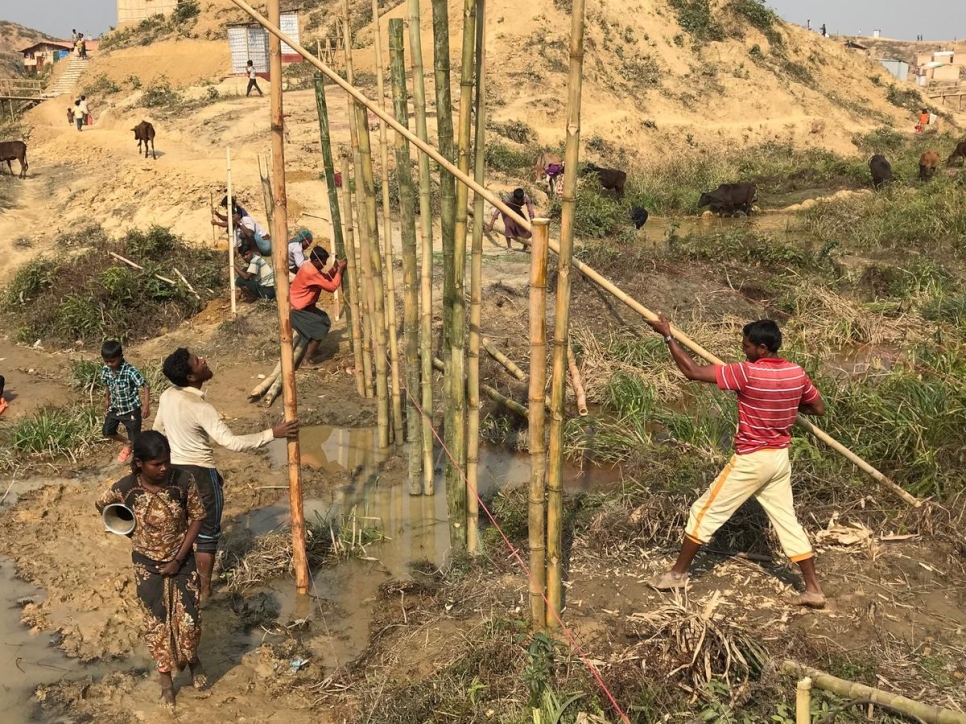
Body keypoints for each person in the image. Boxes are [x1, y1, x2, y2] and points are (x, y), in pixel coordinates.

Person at [644, 316, 828, 608]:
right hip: (779, 460)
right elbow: (817, 408)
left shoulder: (747, 374)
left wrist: (667, 335)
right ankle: (814, 590)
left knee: (703, 512)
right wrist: (785, 401)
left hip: (752, 460)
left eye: (747, 347)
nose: (743, 351)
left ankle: (677, 574)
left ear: (763, 348)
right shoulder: (796, 372)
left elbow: (691, 371)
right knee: (787, 520)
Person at [154, 349, 298, 603]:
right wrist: (272, 434)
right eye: (197, 362)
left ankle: (181, 580)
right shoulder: (200, 407)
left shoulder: (167, 396)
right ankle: (206, 591)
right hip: (200, 475)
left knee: (182, 527)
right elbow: (230, 443)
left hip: (174, 473)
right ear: (190, 376)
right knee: (207, 535)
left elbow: (158, 430)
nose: (203, 360)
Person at [95, 431, 207, 708]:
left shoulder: (182, 481)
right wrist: (129, 531)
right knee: (155, 622)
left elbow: (197, 518)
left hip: (181, 561)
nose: (164, 468)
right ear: (139, 464)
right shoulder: (125, 488)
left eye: (166, 461)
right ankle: (166, 682)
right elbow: (102, 505)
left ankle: (192, 660)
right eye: (156, 464)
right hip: (147, 565)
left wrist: (178, 559)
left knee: (190, 619)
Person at [289, 246, 346, 369]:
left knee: (324, 320)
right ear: (316, 261)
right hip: (297, 310)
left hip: (304, 306)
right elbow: (331, 287)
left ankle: (312, 350)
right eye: (323, 261)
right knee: (319, 329)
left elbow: (325, 278)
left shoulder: (309, 266)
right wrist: (340, 270)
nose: (325, 264)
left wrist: (335, 268)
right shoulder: (310, 271)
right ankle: (306, 360)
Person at [101, 340, 150, 464]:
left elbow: (145, 385)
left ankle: (138, 463)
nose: (110, 364)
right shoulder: (106, 369)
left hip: (131, 409)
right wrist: (107, 398)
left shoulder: (129, 370)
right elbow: (107, 384)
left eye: (112, 361)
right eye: (106, 361)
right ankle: (128, 444)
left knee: (136, 439)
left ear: (120, 357)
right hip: (116, 407)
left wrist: (146, 405)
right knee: (107, 431)